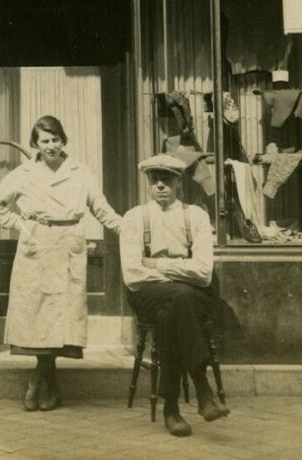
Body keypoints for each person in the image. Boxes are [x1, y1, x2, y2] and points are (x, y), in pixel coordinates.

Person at [0, 115, 123, 411]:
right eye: (44, 141)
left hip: (69, 244)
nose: (50, 146)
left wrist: (130, 228)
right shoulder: (23, 173)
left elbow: (102, 209)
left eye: (55, 139)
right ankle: (47, 382)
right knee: (39, 317)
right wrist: (21, 225)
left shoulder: (81, 172)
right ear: (35, 144)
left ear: (63, 140)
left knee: (61, 318)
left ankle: (40, 380)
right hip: (38, 245)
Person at [120, 153, 230, 437]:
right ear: (147, 182)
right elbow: (132, 276)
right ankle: (202, 389)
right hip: (147, 293)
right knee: (180, 297)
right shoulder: (134, 218)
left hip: (189, 295)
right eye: (154, 179)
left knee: (172, 311)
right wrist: (181, 269)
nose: (160, 185)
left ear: (179, 182)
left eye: (166, 179)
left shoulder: (196, 216)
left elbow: (204, 272)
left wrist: (156, 264)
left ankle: (171, 407)